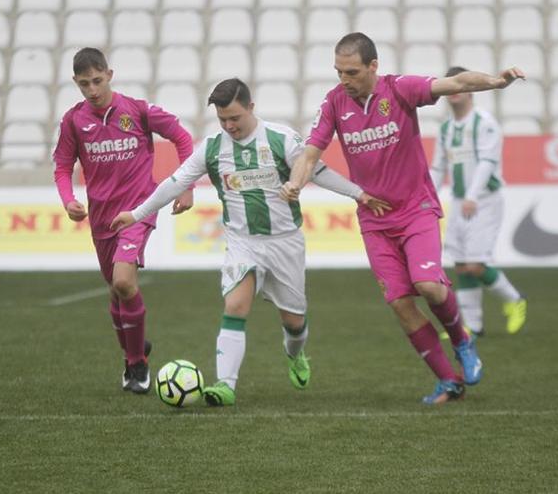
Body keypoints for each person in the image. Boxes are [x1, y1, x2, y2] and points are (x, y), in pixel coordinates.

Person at [111, 78, 388, 406]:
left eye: (235, 118)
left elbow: (318, 170)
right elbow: (176, 181)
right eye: (223, 119)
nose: (229, 126)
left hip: (285, 243)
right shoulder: (213, 147)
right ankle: (225, 386)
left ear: (251, 108)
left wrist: (359, 194)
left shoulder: (280, 139)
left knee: (294, 321)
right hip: (243, 242)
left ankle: (294, 353)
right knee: (236, 306)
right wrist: (137, 213)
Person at [281, 32, 525, 405]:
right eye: (338, 71)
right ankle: (448, 380)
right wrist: (295, 183)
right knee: (400, 304)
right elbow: (311, 152)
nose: (343, 79)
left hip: (415, 210)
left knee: (427, 284)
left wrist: (495, 81)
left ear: (373, 67)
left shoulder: (400, 90)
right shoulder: (333, 103)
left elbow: (456, 83)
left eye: (351, 71)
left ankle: (462, 339)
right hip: (374, 219)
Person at [52, 47, 195, 394]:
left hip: (137, 210)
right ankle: (135, 349)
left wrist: (186, 186)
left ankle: (136, 365)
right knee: (116, 292)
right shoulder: (74, 121)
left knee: (124, 282)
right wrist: (69, 200)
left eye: (98, 81)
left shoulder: (138, 111)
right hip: (101, 217)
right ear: (76, 82)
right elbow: (61, 166)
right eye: (84, 84)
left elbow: (183, 138)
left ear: (110, 75)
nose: (92, 90)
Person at [430, 66, 527, 338]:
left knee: (475, 264)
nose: (455, 92)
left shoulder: (484, 122)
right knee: (461, 264)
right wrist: (426, 196)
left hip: (484, 200)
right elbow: (438, 167)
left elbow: (488, 162)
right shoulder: (447, 128)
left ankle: (514, 299)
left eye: (460, 86)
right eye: (451, 87)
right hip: (460, 201)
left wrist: (472, 195)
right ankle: (472, 325)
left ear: (470, 89)